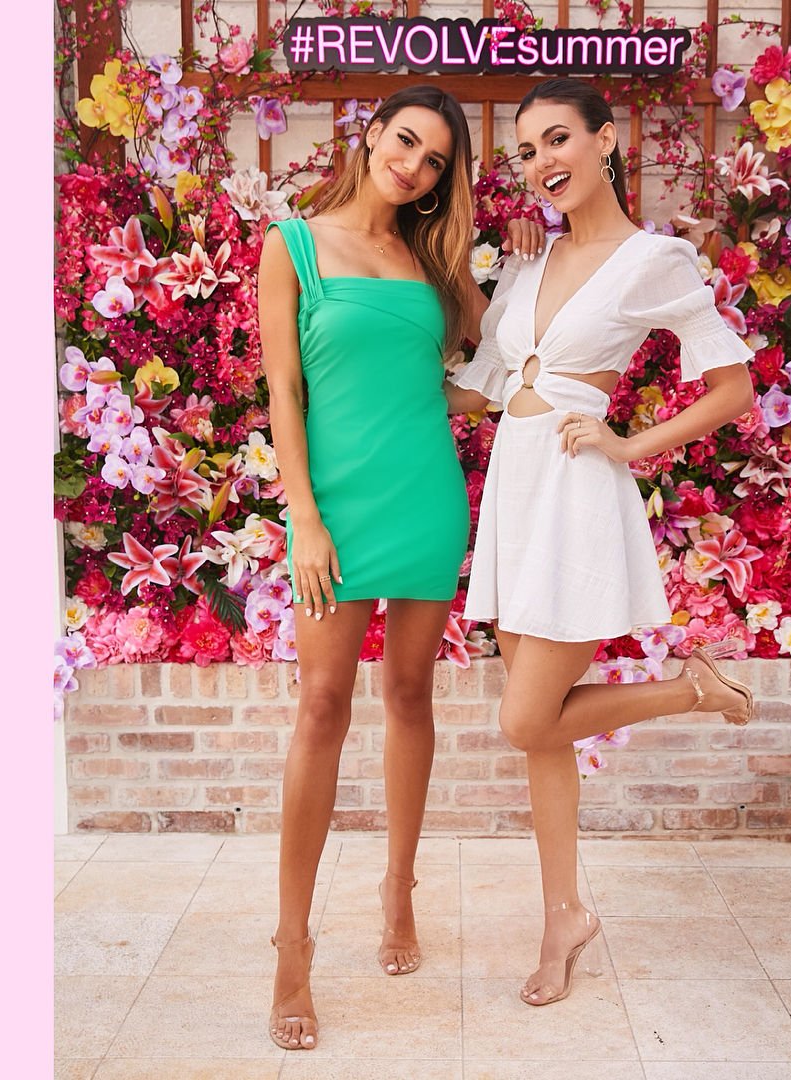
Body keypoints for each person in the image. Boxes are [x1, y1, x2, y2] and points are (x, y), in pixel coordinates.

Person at [445, 77, 757, 1007]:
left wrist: (629, 445)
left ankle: (691, 690)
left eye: (558, 139)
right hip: (517, 493)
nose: (542, 162)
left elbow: (733, 388)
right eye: (527, 151)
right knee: (543, 734)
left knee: (526, 720)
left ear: (605, 140)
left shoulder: (653, 259)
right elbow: (483, 389)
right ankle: (563, 917)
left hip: (579, 493)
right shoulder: (526, 264)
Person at [257, 85, 542, 1051]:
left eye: (434, 162)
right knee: (321, 705)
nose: (413, 167)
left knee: (411, 694)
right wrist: (304, 519)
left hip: (425, 499)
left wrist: (523, 302)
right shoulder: (293, 246)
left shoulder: (436, 263)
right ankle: (292, 945)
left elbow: (475, 376)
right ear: (373, 133)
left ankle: (399, 892)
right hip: (334, 511)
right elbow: (285, 393)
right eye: (406, 142)